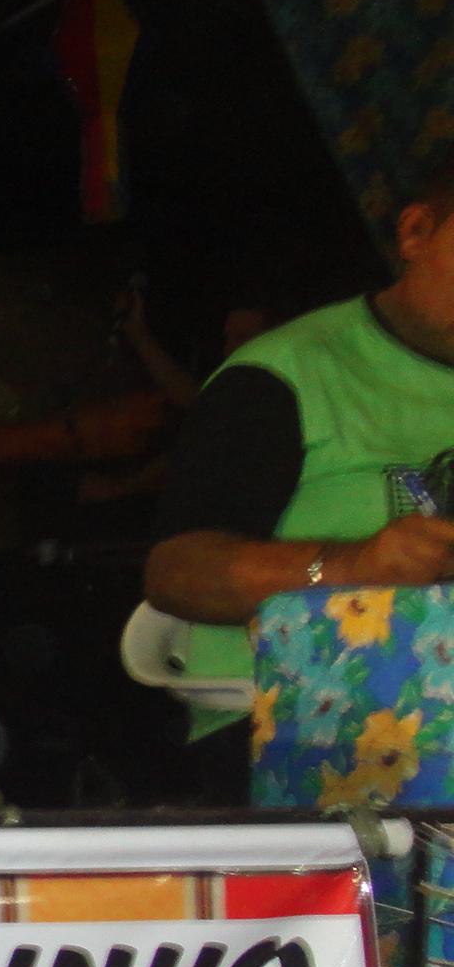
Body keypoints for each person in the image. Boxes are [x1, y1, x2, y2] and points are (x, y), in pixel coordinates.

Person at [147, 158, 454, 727]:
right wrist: (352, 566)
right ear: (416, 233)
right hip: (296, 723)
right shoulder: (287, 373)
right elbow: (176, 572)